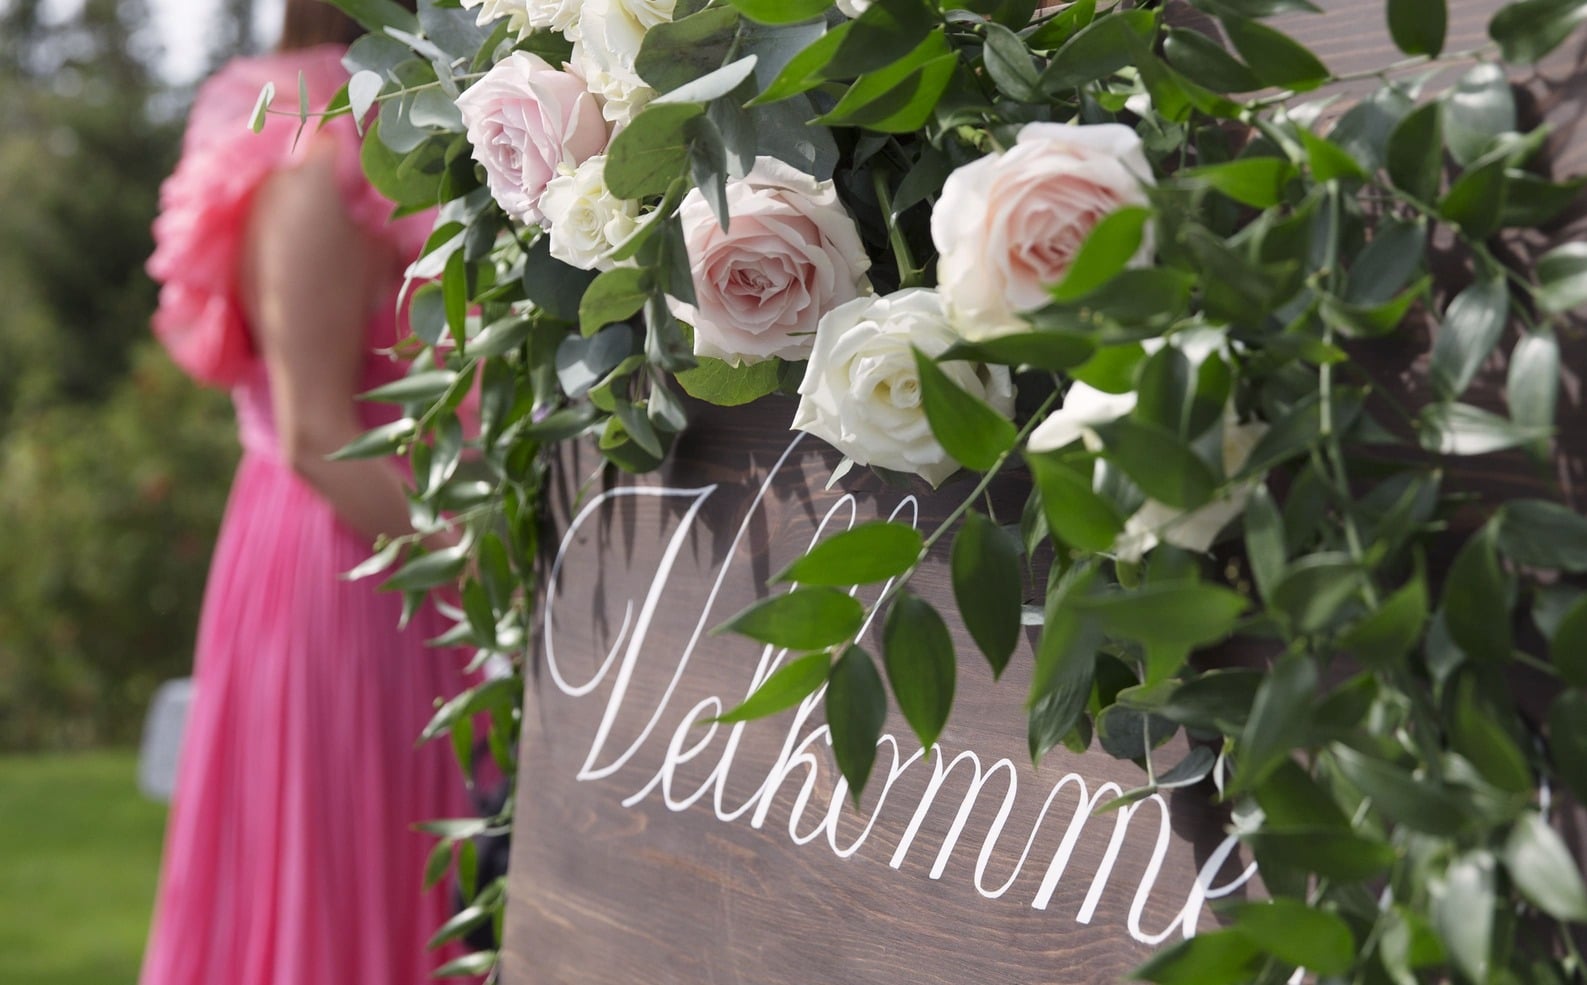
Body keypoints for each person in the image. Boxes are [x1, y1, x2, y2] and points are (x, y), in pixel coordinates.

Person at [138, 1, 475, 982]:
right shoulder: (316, 151)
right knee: (353, 874)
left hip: (408, 547)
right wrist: (486, 570)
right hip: (352, 558)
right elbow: (317, 432)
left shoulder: (394, 136)